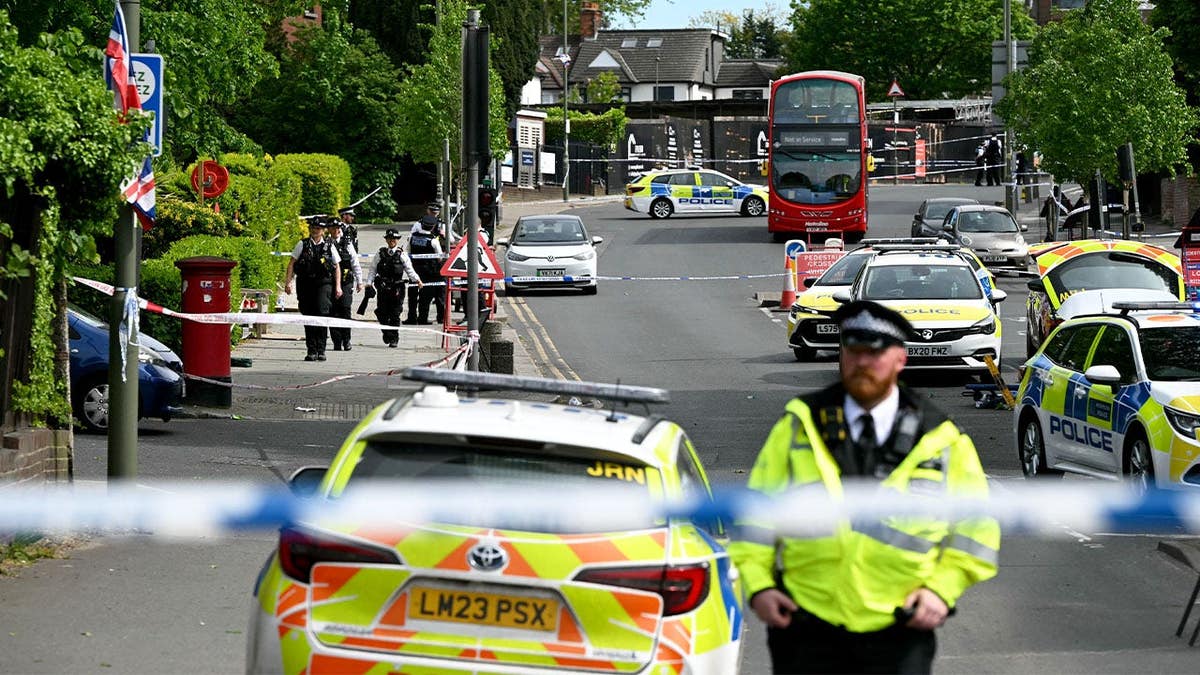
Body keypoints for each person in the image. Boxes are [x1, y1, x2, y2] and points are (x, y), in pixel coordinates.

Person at [729, 300, 1000, 675]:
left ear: (900, 360)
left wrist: (943, 589)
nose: (862, 362)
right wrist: (758, 586)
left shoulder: (940, 438)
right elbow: (756, 512)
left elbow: (976, 528)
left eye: (874, 353)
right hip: (806, 623)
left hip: (900, 627)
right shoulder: (799, 424)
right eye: (852, 351)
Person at [284, 218, 342, 361]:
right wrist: (288, 282)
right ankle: (311, 350)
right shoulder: (302, 244)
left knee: (322, 313)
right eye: (313, 228)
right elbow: (292, 263)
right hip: (305, 284)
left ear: (323, 231)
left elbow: (337, 266)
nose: (315, 231)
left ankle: (321, 350)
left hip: (324, 284)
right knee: (308, 316)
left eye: (318, 228)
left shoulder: (329, 245)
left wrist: (338, 286)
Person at [369, 228, 422, 347]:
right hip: (383, 288)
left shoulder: (402, 254)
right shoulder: (380, 253)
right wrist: (369, 282)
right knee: (381, 312)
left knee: (395, 314)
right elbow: (373, 269)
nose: (392, 241)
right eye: (389, 238)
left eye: (394, 239)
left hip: (397, 288)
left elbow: (409, 269)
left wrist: (417, 280)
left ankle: (394, 338)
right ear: (386, 240)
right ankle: (386, 332)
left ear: (397, 240)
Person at [325, 219, 362, 351]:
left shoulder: (347, 243)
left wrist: (360, 281)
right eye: (333, 228)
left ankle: (346, 340)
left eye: (337, 228)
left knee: (345, 309)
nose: (336, 230)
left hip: (346, 281)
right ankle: (336, 341)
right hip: (330, 282)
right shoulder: (325, 243)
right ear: (329, 229)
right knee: (332, 311)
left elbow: (355, 262)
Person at [407, 205, 445, 325]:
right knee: (425, 296)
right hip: (429, 272)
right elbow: (439, 258)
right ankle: (423, 318)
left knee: (412, 295)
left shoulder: (412, 237)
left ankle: (411, 317)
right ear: (433, 226)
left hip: (414, 270)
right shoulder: (433, 240)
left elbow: (408, 253)